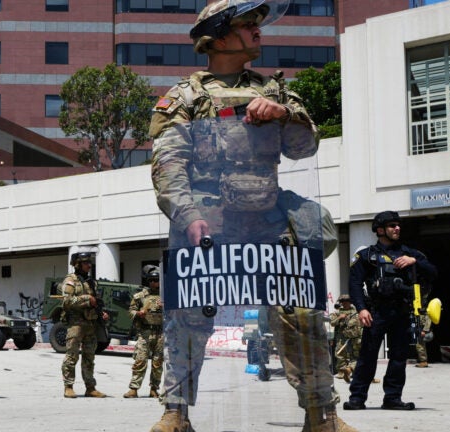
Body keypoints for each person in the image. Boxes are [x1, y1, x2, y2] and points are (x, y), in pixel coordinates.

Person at [150, 1, 355, 431]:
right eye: (248, 25)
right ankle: (176, 413)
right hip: (209, 221)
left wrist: (286, 115)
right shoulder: (183, 97)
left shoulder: (275, 92)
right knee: (189, 316)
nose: (259, 32)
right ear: (219, 37)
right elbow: (168, 165)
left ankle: (322, 416)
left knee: (301, 312)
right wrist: (187, 215)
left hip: (267, 219)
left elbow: (304, 148)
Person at [343, 211, 437, 411]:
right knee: (367, 356)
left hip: (402, 312)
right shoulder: (367, 255)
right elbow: (355, 283)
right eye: (392, 225)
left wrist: (414, 262)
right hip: (376, 312)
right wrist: (361, 309)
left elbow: (433, 272)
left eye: (398, 225)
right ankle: (357, 398)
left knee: (398, 357)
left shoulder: (409, 253)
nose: (397, 228)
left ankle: (392, 398)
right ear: (380, 230)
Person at [60, 252, 110, 399]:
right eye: (86, 263)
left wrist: (102, 313)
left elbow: (97, 302)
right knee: (72, 355)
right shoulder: (70, 281)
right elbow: (66, 301)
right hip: (76, 324)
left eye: (90, 263)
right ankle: (68, 386)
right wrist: (87, 299)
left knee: (89, 357)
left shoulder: (91, 282)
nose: (89, 265)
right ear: (77, 264)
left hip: (90, 324)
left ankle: (90, 387)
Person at [123, 265, 164, 399]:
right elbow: (130, 311)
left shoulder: (166, 296)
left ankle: (154, 389)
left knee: (158, 363)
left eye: (156, 280)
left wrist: (167, 308)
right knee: (140, 361)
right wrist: (137, 314)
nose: (154, 283)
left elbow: (175, 313)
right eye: (151, 280)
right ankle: (134, 389)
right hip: (145, 332)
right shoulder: (140, 296)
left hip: (161, 334)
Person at [330, 294, 361, 383]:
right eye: (343, 301)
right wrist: (340, 318)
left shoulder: (355, 310)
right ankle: (341, 372)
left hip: (355, 336)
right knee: (340, 354)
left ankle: (352, 371)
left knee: (354, 354)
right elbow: (332, 323)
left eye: (346, 301)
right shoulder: (337, 312)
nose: (345, 303)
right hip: (341, 336)